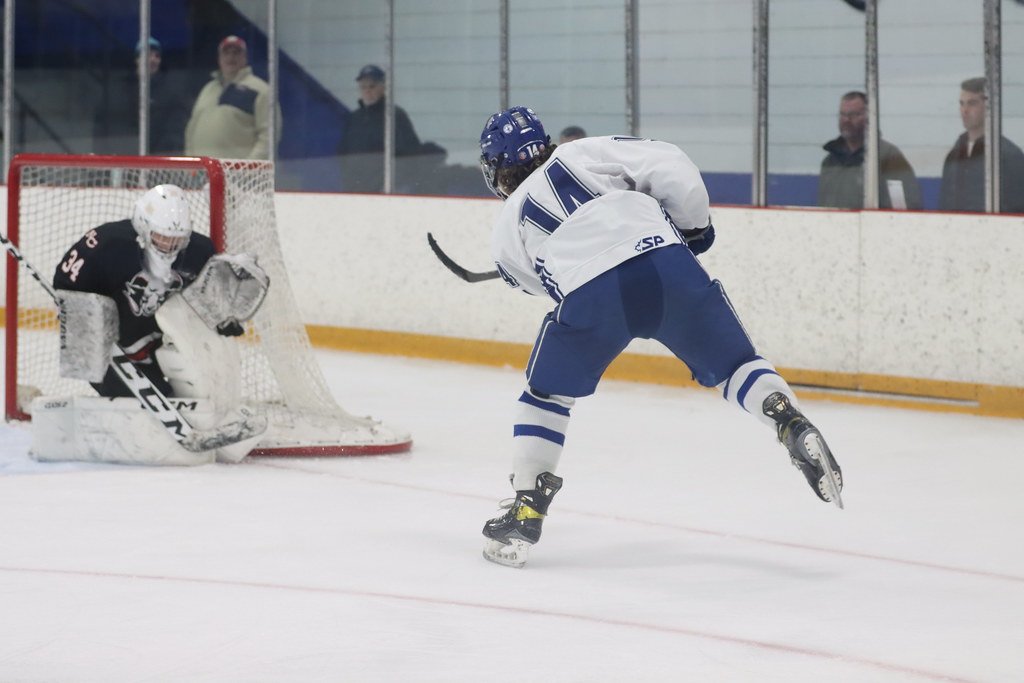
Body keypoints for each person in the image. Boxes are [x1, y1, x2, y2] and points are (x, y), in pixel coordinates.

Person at [477, 107, 844, 568]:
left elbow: (530, 279)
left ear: (498, 167)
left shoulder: (508, 219)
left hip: (592, 295)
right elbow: (670, 164)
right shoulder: (586, 151)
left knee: (545, 396)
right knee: (735, 366)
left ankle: (527, 509)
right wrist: (694, 227)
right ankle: (786, 418)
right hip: (665, 263)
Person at [53, 184, 249, 399]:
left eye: (177, 239)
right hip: (115, 342)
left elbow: (210, 297)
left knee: (194, 390)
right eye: (162, 237)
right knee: (137, 397)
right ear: (143, 226)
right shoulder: (106, 244)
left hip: (162, 341)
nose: (170, 246)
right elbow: (67, 283)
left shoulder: (199, 251)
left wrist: (223, 315)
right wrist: (76, 317)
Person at [336, 64, 443, 193]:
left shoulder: (394, 116)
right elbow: (343, 154)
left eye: (372, 86)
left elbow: (409, 155)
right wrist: (348, 181)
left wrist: (390, 185)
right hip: (355, 190)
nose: (367, 91)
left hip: (385, 190)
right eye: (363, 87)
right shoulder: (354, 118)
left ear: (383, 87)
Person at [818, 91, 921, 210]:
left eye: (854, 114)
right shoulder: (830, 162)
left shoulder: (888, 156)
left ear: (869, 118)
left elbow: (905, 207)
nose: (846, 120)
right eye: (842, 114)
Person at [184, 35, 279, 160]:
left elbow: (269, 136)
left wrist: (249, 167)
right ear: (219, 58)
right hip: (203, 170)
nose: (230, 57)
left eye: (236, 53)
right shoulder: (208, 89)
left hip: (238, 171)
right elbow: (192, 128)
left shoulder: (261, 90)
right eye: (226, 53)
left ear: (245, 58)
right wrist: (191, 162)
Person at [939, 77, 1024, 214]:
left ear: (989, 107)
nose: (965, 110)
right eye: (962, 103)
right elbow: (945, 204)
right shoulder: (954, 155)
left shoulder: (1008, 156)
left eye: (972, 103)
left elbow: (1017, 208)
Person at [92, 37, 190, 156]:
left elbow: (175, 133)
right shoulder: (117, 91)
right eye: (148, 55)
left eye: (157, 56)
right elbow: (101, 126)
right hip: (121, 160)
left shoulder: (170, 94)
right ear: (137, 59)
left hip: (156, 162)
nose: (153, 60)